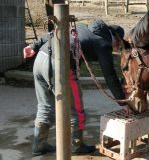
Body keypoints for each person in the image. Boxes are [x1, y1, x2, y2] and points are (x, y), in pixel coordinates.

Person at [23, 19, 126, 156]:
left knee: (45, 106)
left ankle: (39, 145)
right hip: (60, 67)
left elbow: (53, 33)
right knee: (76, 110)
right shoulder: (103, 43)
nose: (117, 49)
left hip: (40, 59)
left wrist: (34, 46)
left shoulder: (81, 26)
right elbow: (110, 75)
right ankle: (77, 145)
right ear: (116, 39)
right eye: (119, 46)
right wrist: (122, 101)